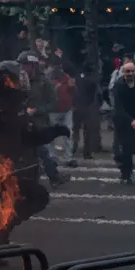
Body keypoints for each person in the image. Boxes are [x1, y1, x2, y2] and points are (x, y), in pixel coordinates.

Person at [0, 61, 70, 246]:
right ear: (4, 82)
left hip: (24, 167)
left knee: (14, 208)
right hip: (6, 171)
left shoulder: (18, 106)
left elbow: (30, 135)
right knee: (33, 199)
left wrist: (54, 131)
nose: (21, 84)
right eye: (16, 80)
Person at [18, 51, 70, 188]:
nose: (23, 68)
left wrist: (36, 110)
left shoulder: (44, 82)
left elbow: (53, 104)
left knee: (41, 150)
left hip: (39, 124)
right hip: (21, 122)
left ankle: (52, 177)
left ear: (33, 66)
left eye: (26, 65)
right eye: (22, 65)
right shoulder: (18, 81)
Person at [113, 62, 135, 184]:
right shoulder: (119, 85)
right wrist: (131, 120)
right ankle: (126, 174)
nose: (130, 74)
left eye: (132, 71)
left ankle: (122, 162)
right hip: (123, 120)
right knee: (126, 148)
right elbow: (119, 107)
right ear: (123, 73)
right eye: (128, 71)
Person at [46, 55, 77, 167]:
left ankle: (68, 157)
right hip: (53, 110)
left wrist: (71, 87)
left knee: (68, 133)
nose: (57, 69)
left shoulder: (66, 77)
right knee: (51, 136)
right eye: (55, 66)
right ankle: (52, 157)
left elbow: (73, 91)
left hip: (66, 109)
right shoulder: (47, 78)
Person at [73, 62, 100, 160]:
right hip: (87, 107)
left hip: (76, 106)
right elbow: (93, 96)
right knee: (87, 131)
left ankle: (73, 148)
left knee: (75, 129)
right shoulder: (92, 81)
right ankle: (86, 152)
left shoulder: (76, 78)